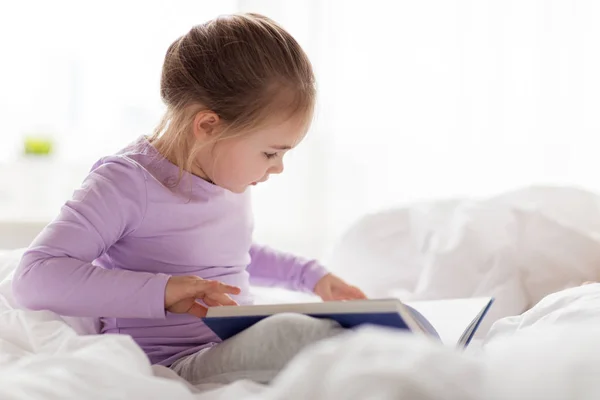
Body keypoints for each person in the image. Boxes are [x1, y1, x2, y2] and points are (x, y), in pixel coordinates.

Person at [12, 13, 366, 385]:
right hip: (174, 362)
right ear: (208, 127)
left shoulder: (225, 175)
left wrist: (310, 276)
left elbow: (230, 255)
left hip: (230, 341)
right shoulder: (126, 183)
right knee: (306, 338)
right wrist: (163, 291)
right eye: (270, 153)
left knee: (328, 333)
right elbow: (34, 277)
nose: (278, 168)